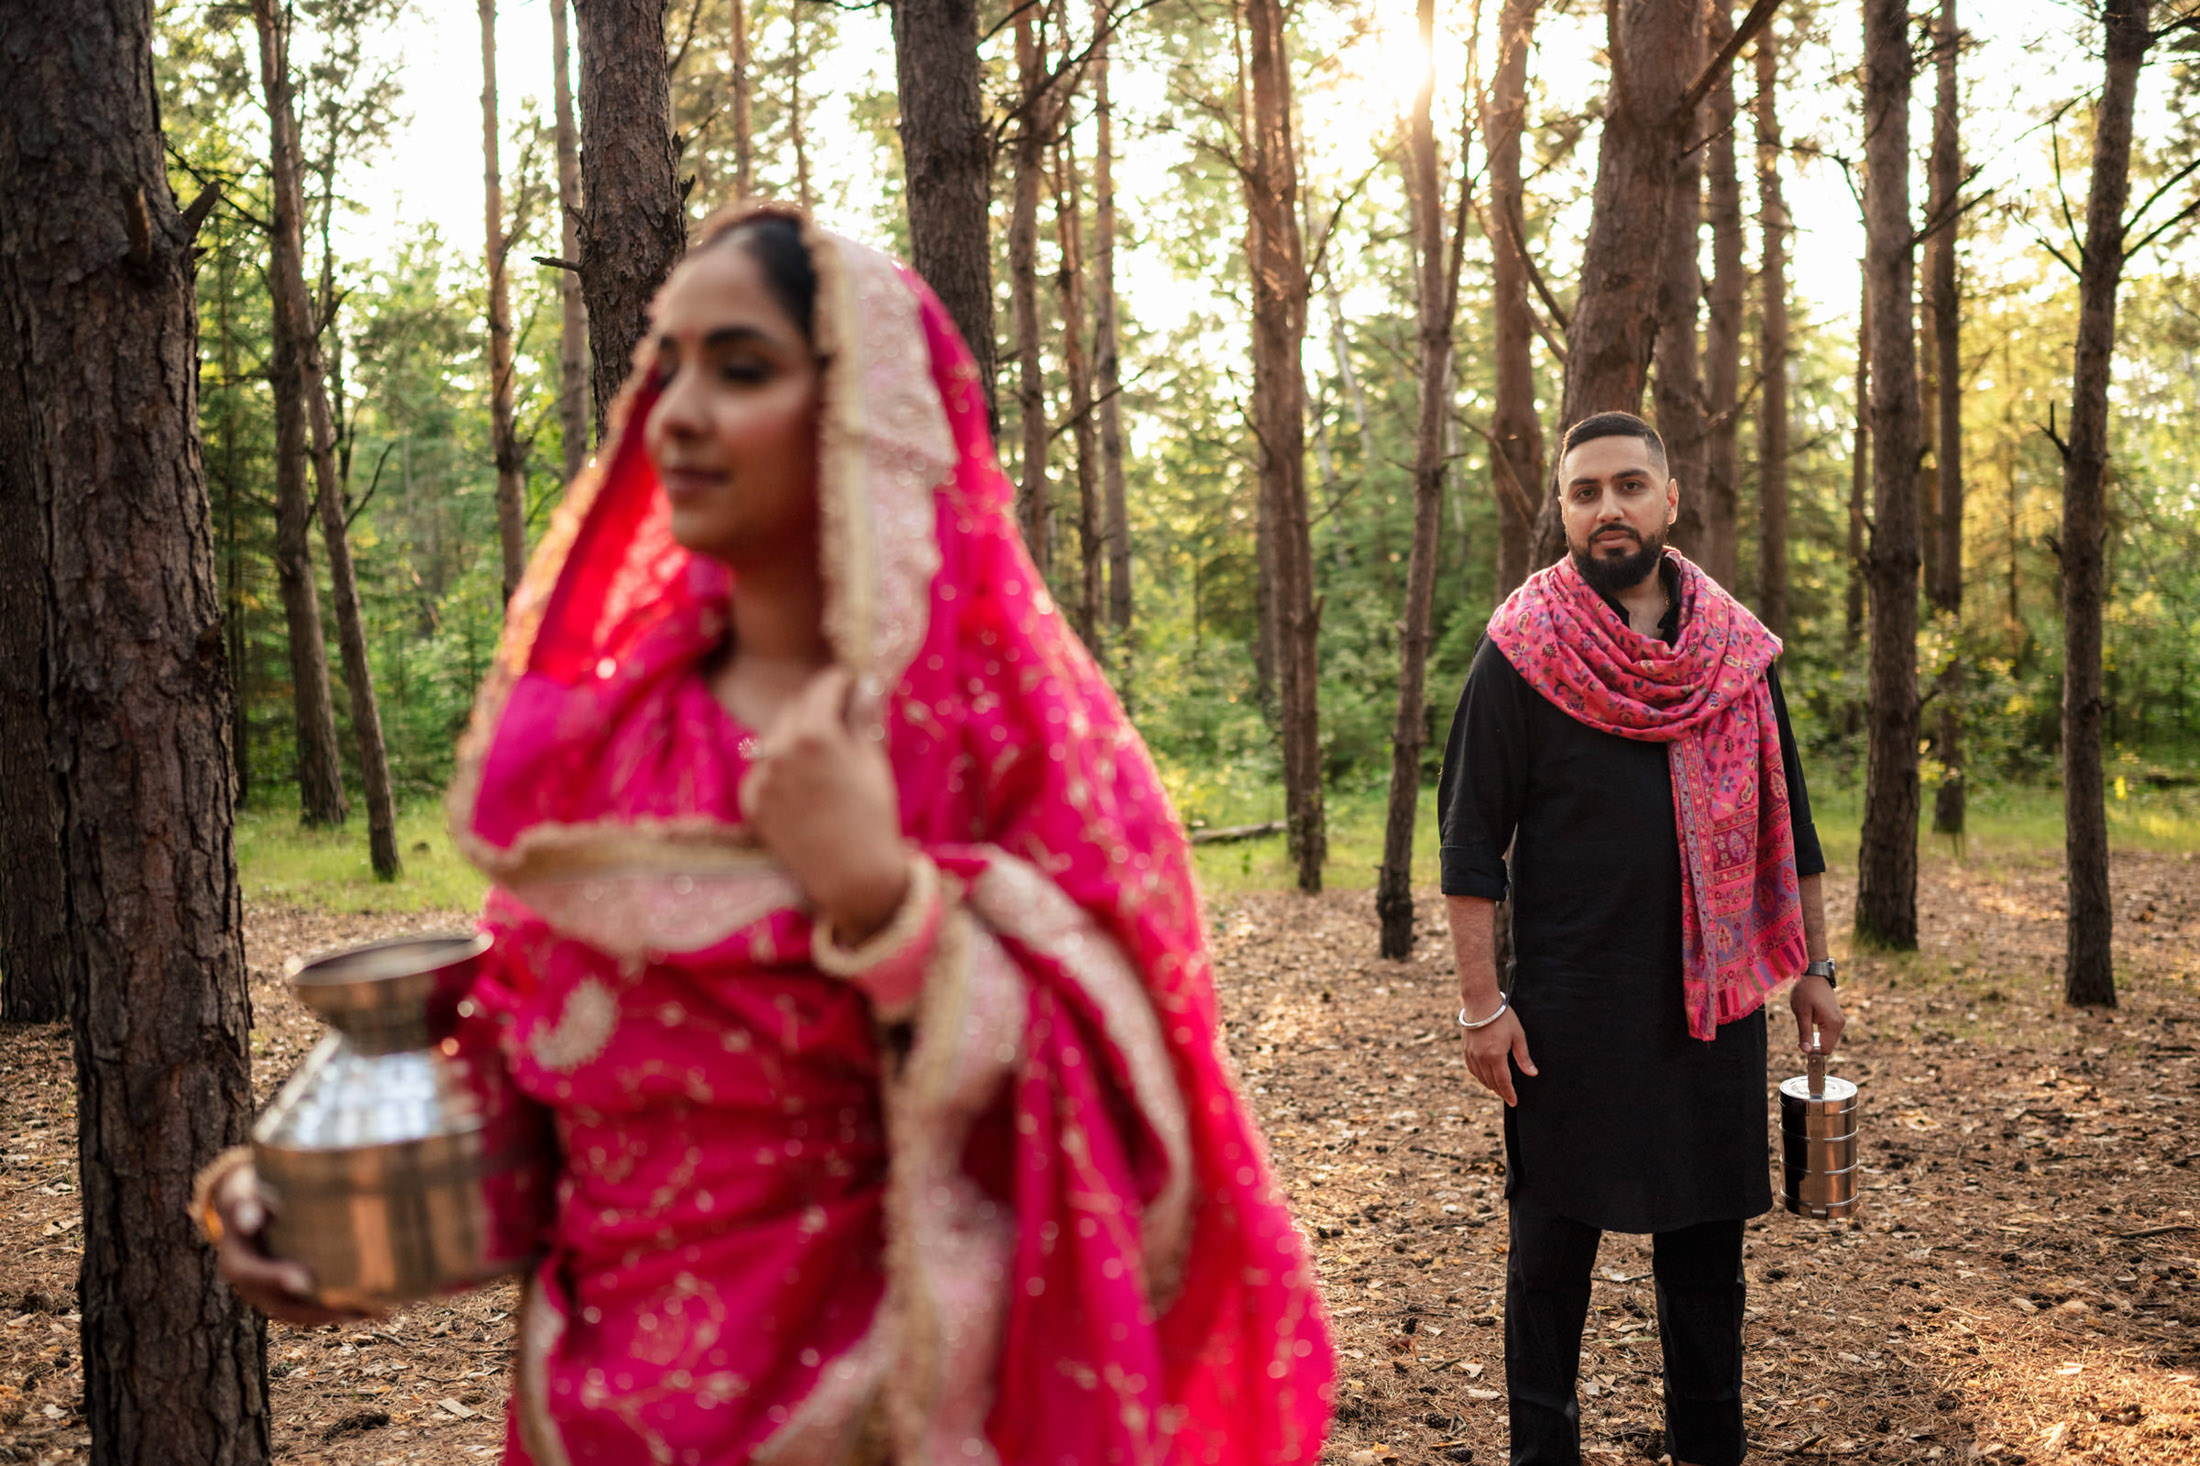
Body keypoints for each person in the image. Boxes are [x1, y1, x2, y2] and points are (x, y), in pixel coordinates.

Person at [201, 205, 1333, 1465]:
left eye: (740, 368)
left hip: (890, 1418)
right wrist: (335, 1209)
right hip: (589, 1422)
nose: (675, 413)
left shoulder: (983, 735)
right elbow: (560, 1084)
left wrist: (890, 907)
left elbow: (1131, 1109)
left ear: (865, 412)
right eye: (666, 365)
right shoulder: (610, 741)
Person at [1435, 411, 1843, 1466]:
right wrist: (1481, 1006)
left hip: (1716, 1000)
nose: (1607, 507)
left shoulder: (1736, 652)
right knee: (1549, 1256)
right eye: (1585, 491)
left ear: (1669, 498)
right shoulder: (1522, 649)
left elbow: (1789, 819)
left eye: (1627, 485)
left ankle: (1710, 1449)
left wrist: (1816, 967)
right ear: (1564, 510)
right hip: (1568, 1010)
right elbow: (1470, 842)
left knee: (1706, 1261)